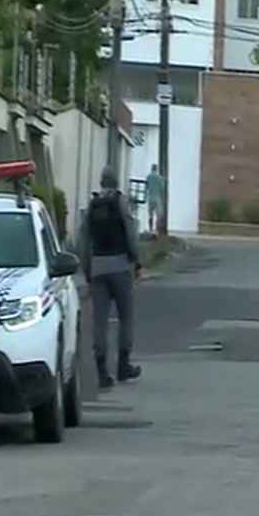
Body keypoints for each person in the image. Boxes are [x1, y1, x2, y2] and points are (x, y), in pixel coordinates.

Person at [80, 165, 142, 389]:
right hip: (120, 266)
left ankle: (102, 371)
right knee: (126, 317)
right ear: (116, 182)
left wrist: (87, 269)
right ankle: (123, 366)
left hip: (98, 268)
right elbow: (130, 233)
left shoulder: (92, 206)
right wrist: (137, 261)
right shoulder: (120, 203)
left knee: (100, 322)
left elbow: (84, 241)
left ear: (101, 182)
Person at [144, 163, 163, 233]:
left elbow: (146, 187)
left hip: (151, 196)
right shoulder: (159, 177)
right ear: (156, 169)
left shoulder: (148, 177)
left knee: (150, 214)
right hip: (157, 197)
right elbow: (162, 188)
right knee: (158, 215)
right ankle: (157, 229)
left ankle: (150, 229)